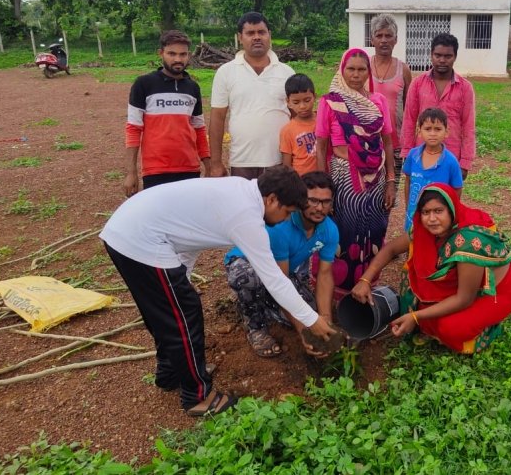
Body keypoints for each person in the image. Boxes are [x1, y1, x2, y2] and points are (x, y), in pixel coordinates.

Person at [99, 166, 335, 416]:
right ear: (272, 199)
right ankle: (197, 396)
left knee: (169, 312)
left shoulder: (240, 190)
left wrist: (182, 277)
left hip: (131, 230)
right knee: (183, 315)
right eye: (287, 212)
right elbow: (275, 280)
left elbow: (190, 236)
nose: (286, 219)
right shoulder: (247, 216)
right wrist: (312, 320)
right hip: (140, 239)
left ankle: (172, 373)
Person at [352, 183, 511, 354]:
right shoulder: (424, 229)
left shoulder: (468, 243)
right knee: (414, 286)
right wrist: (365, 280)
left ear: (451, 210)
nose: (432, 219)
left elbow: (464, 299)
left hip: (494, 291)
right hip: (463, 285)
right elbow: (391, 249)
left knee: (449, 328)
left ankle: (488, 329)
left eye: (438, 211)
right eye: (426, 212)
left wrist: (415, 317)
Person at [223, 171, 338, 357]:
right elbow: (279, 281)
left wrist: (325, 319)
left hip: (280, 272)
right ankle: (255, 325)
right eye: (313, 201)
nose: (320, 208)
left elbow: (325, 275)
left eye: (326, 202)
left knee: (311, 313)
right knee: (247, 278)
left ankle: (265, 302)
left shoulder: (330, 230)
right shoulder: (281, 226)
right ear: (301, 199)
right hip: (248, 264)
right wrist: (304, 331)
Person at [316, 48, 396, 295]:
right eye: (351, 69)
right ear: (342, 70)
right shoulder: (330, 102)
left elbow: (388, 142)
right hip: (343, 179)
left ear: (368, 72)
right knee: (343, 233)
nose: (356, 74)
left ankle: (367, 284)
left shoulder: (378, 102)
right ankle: (337, 292)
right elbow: (321, 147)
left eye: (362, 69)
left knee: (374, 230)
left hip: (376, 179)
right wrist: (323, 189)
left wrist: (391, 181)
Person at [123, 30, 210, 196]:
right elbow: (133, 128)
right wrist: (131, 172)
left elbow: (199, 129)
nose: (178, 59)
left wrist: (209, 166)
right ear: (161, 53)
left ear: (189, 55)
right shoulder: (144, 84)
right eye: (172, 54)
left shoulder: (193, 88)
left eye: (183, 54)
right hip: (155, 171)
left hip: (190, 169)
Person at [209, 12, 294, 179]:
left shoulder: (287, 72)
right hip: (242, 161)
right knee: (244, 198)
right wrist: (216, 163)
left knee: (278, 197)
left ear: (269, 35)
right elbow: (218, 118)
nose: (257, 37)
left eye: (261, 32)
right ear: (240, 37)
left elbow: (297, 117)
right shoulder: (226, 72)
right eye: (250, 33)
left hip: (279, 160)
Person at [401, 33, 476, 178]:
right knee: (420, 191)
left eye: (448, 56)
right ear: (431, 55)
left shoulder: (465, 88)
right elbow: (409, 119)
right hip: (421, 155)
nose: (442, 60)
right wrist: (407, 153)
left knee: (446, 192)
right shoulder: (418, 84)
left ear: (455, 57)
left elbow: (468, 126)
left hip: (451, 156)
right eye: (438, 55)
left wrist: (465, 162)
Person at [401, 107, 464, 233]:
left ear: (446, 132)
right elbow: (408, 181)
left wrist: (449, 213)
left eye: (438, 129)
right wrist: (408, 206)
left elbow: (457, 190)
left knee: (433, 240)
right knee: (413, 238)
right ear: (419, 131)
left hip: (436, 217)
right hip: (414, 212)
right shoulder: (413, 155)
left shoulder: (451, 161)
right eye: (428, 129)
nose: (433, 133)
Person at [368, 14, 412, 174]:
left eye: (388, 36)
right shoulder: (363, 67)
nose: (384, 40)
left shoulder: (403, 70)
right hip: (366, 143)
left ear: (396, 40)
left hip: (395, 144)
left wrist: (408, 143)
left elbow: (409, 109)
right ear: (372, 40)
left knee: (391, 186)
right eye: (379, 35)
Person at [279, 74, 318, 176]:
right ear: (288, 102)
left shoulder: (323, 121)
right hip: (302, 180)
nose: (302, 106)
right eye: (296, 102)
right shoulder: (287, 130)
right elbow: (287, 165)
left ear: (314, 97)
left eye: (307, 100)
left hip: (326, 178)